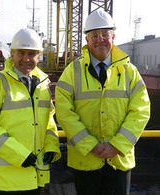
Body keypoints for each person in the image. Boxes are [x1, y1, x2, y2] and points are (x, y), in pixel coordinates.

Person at [55, 9, 150, 195]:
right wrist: (89, 144)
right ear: (87, 40)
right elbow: (64, 112)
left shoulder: (129, 72)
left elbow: (141, 110)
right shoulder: (72, 72)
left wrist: (117, 145)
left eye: (105, 35)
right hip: (85, 160)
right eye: (95, 35)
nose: (100, 39)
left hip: (118, 161)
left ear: (113, 37)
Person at [0, 28, 61, 194]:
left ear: (39, 56)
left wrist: (52, 146)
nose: (26, 59)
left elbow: (48, 120)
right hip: (5, 181)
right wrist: (19, 154)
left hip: (34, 176)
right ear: (12, 54)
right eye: (21, 53)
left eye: (31, 54)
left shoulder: (42, 85)